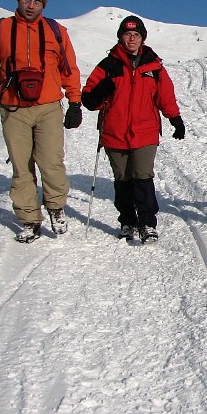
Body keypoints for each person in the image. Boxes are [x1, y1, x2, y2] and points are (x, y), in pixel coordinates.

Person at [0, 0, 82, 242]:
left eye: (37, 2)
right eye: (27, 0)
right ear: (18, 0)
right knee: (21, 166)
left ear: (43, 5)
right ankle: (28, 218)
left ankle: (56, 207)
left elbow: (68, 69)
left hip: (48, 106)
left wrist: (75, 102)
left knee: (51, 162)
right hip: (13, 108)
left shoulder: (56, 32)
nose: (31, 5)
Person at [80, 15, 185, 243]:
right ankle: (127, 221)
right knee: (123, 179)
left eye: (136, 35)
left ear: (142, 38)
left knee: (143, 176)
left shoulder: (154, 66)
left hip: (145, 131)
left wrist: (175, 119)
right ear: (121, 37)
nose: (131, 39)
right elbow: (88, 99)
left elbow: (165, 96)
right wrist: (101, 91)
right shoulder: (108, 66)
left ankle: (147, 223)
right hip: (114, 132)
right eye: (127, 34)